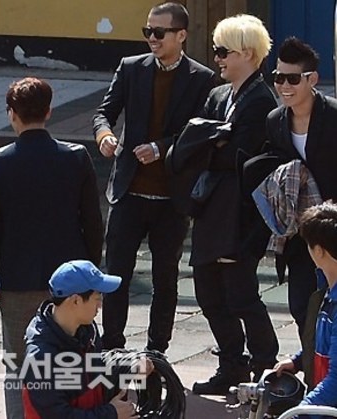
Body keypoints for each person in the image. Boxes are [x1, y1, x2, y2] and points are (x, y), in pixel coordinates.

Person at [0, 77, 104, 419]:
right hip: (71, 283)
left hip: (17, 279)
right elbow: (93, 223)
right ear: (49, 111)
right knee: (75, 363)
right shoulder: (76, 157)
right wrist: (92, 277)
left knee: (18, 366)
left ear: (11, 114)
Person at [92, 2, 214, 353]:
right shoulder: (131, 68)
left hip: (171, 198)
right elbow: (104, 112)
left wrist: (161, 148)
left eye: (159, 32)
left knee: (165, 278)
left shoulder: (202, 78)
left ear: (181, 35)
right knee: (116, 275)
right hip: (128, 192)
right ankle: (112, 347)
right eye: (148, 31)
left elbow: (199, 134)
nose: (152, 38)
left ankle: (156, 350)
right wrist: (104, 135)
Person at [188, 15, 279, 395]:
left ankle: (265, 366)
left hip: (240, 215)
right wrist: (212, 140)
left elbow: (238, 157)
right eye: (217, 51)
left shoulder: (261, 101)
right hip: (211, 208)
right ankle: (231, 364)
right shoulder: (218, 96)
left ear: (248, 53)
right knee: (209, 293)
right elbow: (196, 145)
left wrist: (210, 142)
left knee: (240, 295)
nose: (218, 58)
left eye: (224, 51)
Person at [263, 37, 337, 341]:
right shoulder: (275, 121)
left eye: (293, 79)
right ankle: (311, 364)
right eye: (278, 78)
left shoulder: (333, 116)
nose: (284, 86)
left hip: (333, 229)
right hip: (298, 232)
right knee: (301, 307)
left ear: (312, 79)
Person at [22, 260, 140, 418]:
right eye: (97, 298)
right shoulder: (41, 359)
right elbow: (58, 415)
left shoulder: (87, 330)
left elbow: (95, 366)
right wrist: (111, 413)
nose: (100, 305)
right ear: (75, 300)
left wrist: (129, 364)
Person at [274, 202, 337, 411]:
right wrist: (299, 361)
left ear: (318, 251)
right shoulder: (327, 291)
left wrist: (300, 411)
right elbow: (327, 343)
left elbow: (335, 383)